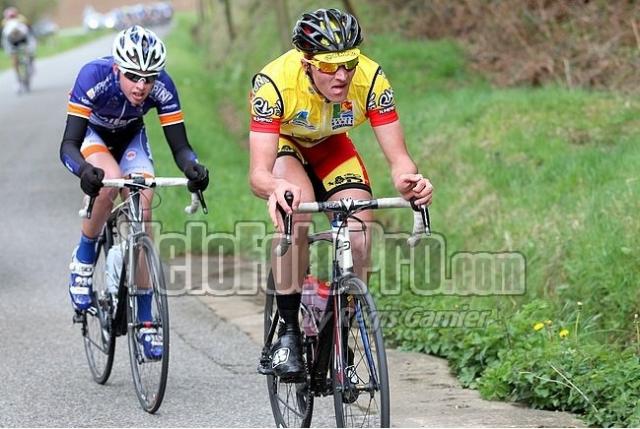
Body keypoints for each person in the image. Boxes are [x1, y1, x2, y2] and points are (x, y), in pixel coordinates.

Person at [248, 8, 433, 381]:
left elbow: (400, 160)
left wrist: (409, 181)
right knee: (295, 213)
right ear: (306, 63)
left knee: (361, 235)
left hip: (332, 148)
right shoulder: (273, 83)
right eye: (331, 67)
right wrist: (274, 188)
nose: (343, 75)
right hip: (286, 146)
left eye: (349, 64)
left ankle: (340, 333)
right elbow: (259, 174)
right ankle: (287, 332)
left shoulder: (371, 78)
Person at [59, 25, 209, 360]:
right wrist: (84, 170)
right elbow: (68, 144)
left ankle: (145, 319)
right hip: (93, 136)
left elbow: (180, 146)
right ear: (117, 68)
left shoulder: (163, 87)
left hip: (130, 138)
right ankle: (84, 259)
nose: (141, 86)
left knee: (144, 197)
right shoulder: (93, 76)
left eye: (149, 78)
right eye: (132, 76)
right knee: (108, 180)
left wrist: (193, 168)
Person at [1, 7, 36, 92]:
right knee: (14, 59)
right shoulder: (5, 24)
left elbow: (30, 36)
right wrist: (10, 53)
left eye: (13, 16)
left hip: (24, 39)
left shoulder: (22, 20)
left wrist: (31, 50)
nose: (12, 18)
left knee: (28, 53)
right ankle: (18, 79)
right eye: (10, 17)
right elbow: (5, 41)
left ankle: (30, 63)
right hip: (12, 41)